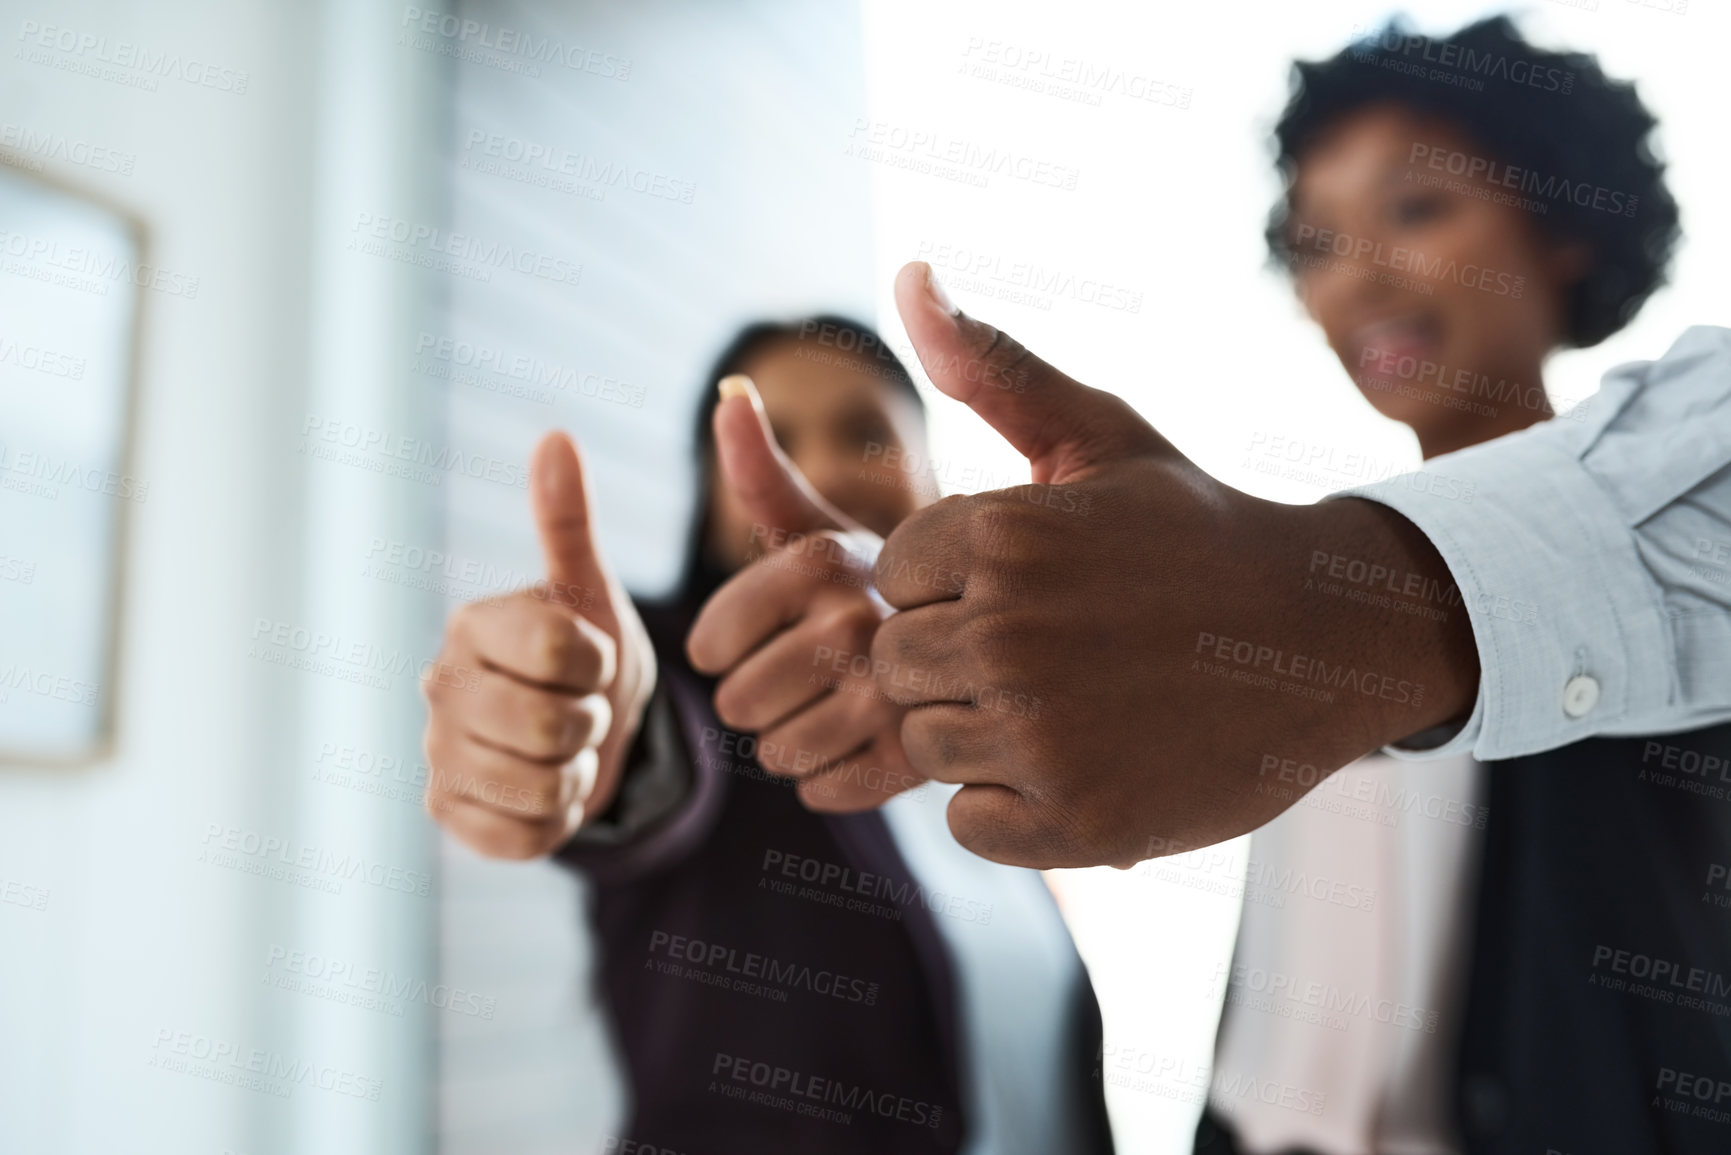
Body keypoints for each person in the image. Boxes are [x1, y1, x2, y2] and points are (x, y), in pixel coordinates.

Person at [1185, 18, 1729, 1155]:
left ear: (1562, 221)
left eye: (1417, 209)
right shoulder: (1312, 587)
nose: (1360, 279)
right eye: (1315, 243)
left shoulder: (1680, 548)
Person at [419, 317, 1114, 1153]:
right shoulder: (690, 685)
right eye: (772, 440)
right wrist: (607, 739)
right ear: (708, 499)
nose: (819, 469)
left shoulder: (990, 747)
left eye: (864, 433)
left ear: (930, 475)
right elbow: (661, 754)